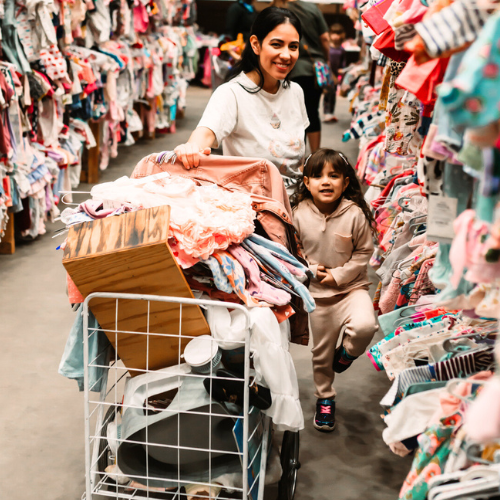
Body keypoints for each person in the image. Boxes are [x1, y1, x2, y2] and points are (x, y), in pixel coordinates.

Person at [174, 7, 310, 196]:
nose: (286, 55)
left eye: (293, 46)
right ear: (255, 44)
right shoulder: (231, 93)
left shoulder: (295, 91)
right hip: (255, 210)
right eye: (277, 45)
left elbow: (298, 161)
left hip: (296, 208)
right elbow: (204, 135)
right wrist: (190, 149)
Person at [292, 148, 378, 432]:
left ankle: (348, 354)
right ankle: (325, 397)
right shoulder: (298, 215)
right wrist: (308, 268)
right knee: (321, 353)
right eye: (317, 176)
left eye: (333, 176)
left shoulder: (354, 214)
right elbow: (293, 250)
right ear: (306, 182)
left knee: (366, 326)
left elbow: (364, 252)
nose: (325, 182)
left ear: (345, 182)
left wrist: (339, 275)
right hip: (317, 296)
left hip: (352, 289)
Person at [272, 0, 330, 153]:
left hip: (287, 69)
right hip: (312, 68)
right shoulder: (311, 8)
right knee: (312, 112)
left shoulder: (276, 8)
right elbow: (325, 38)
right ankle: (315, 157)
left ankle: (298, 157)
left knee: (291, 115)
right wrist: (326, 59)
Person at [323, 23, 347, 123]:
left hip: (336, 75)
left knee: (333, 93)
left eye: (338, 33)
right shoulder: (327, 47)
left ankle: (331, 113)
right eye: (334, 33)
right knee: (327, 93)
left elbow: (343, 64)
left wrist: (342, 71)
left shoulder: (342, 49)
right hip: (326, 74)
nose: (336, 36)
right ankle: (326, 113)